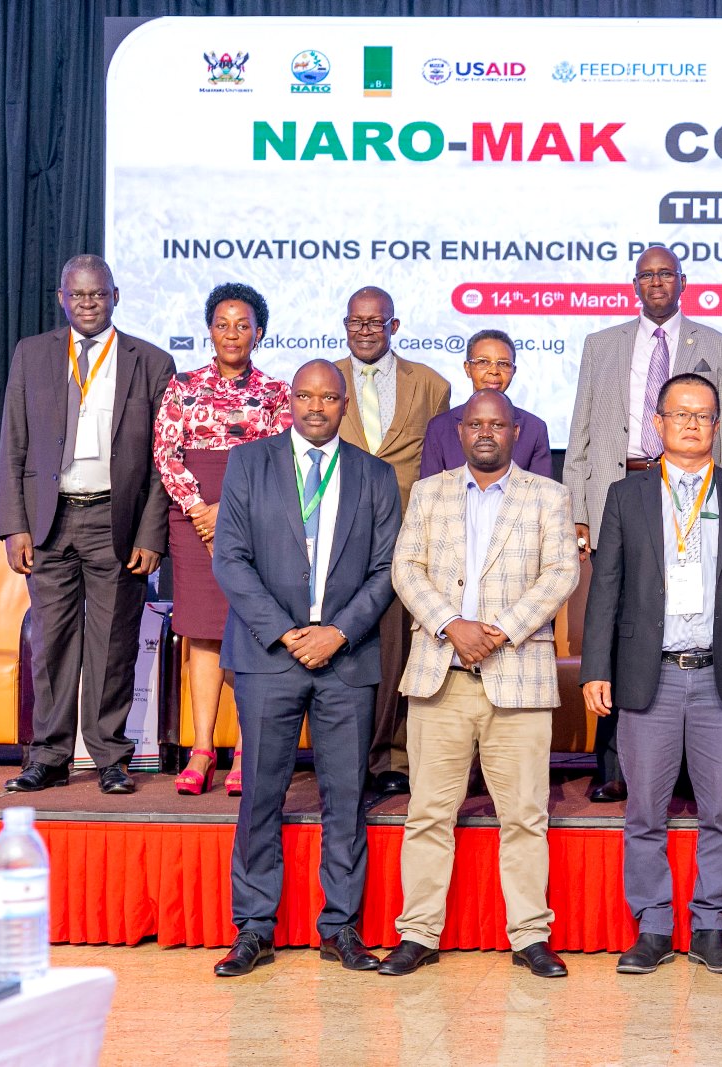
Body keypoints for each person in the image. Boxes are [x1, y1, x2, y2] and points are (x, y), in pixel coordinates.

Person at [580, 373, 722, 975]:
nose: (692, 424)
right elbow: (607, 588)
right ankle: (652, 926)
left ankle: (711, 926)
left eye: (703, 415)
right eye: (680, 414)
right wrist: (597, 667)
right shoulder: (627, 496)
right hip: (652, 676)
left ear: (717, 427)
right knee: (644, 809)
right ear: (660, 425)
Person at [210, 360, 401, 977]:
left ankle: (341, 926)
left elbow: (386, 569)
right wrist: (288, 633)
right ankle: (254, 928)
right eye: (305, 395)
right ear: (289, 400)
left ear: (346, 405)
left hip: (346, 661)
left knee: (345, 799)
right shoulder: (250, 463)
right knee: (261, 795)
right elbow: (231, 559)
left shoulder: (375, 475)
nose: (316, 407)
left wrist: (338, 632)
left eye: (328, 397)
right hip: (270, 656)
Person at [381, 390, 578, 978]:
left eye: (497, 424)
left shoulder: (550, 495)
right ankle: (418, 934)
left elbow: (562, 571)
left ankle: (529, 937)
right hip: (440, 673)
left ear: (516, 432)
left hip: (515, 674)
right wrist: (450, 624)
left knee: (524, 815)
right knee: (428, 814)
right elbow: (404, 568)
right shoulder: (429, 492)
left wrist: (500, 631)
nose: (485, 432)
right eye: (475, 424)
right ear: (460, 431)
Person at [565, 245, 722, 802]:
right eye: (647, 275)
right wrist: (577, 514)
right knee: (624, 625)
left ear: (683, 281)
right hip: (619, 499)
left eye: (666, 274)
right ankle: (614, 765)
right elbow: (582, 435)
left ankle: (692, 762)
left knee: (690, 620)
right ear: (635, 284)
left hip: (698, 495)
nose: (656, 283)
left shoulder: (718, 346)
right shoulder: (602, 346)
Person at [0, 254, 174, 794]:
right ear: (62, 298)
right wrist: (14, 526)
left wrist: (150, 533)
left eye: (98, 294)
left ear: (116, 296)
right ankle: (47, 756)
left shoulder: (152, 361)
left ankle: (111, 758)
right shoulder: (32, 354)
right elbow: (13, 444)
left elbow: (163, 462)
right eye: (79, 295)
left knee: (114, 643)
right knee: (51, 643)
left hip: (115, 521)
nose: (89, 303)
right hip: (49, 521)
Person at [153, 282, 291, 795]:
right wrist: (198, 509)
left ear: (259, 332)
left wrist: (228, 512)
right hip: (192, 520)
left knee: (251, 631)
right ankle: (203, 748)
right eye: (222, 323)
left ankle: (245, 751)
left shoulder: (278, 394)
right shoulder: (183, 385)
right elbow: (167, 454)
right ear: (209, 330)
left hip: (255, 520)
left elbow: (279, 462)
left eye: (243, 324)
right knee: (203, 633)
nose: (232, 333)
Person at [332, 286, 452, 798]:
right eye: (356, 322)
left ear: (393, 326)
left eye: (375, 322)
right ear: (345, 325)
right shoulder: (324, 378)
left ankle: (396, 755)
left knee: (400, 646)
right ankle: (348, 753)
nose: (365, 330)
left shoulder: (430, 383)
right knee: (345, 642)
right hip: (337, 532)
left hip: (408, 533)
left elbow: (440, 461)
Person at [421, 329, 552, 479]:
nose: (494, 371)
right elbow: (429, 493)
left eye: (503, 364)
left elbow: (544, 495)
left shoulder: (534, 429)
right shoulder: (439, 428)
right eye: (483, 362)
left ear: (513, 371)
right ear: (467, 368)